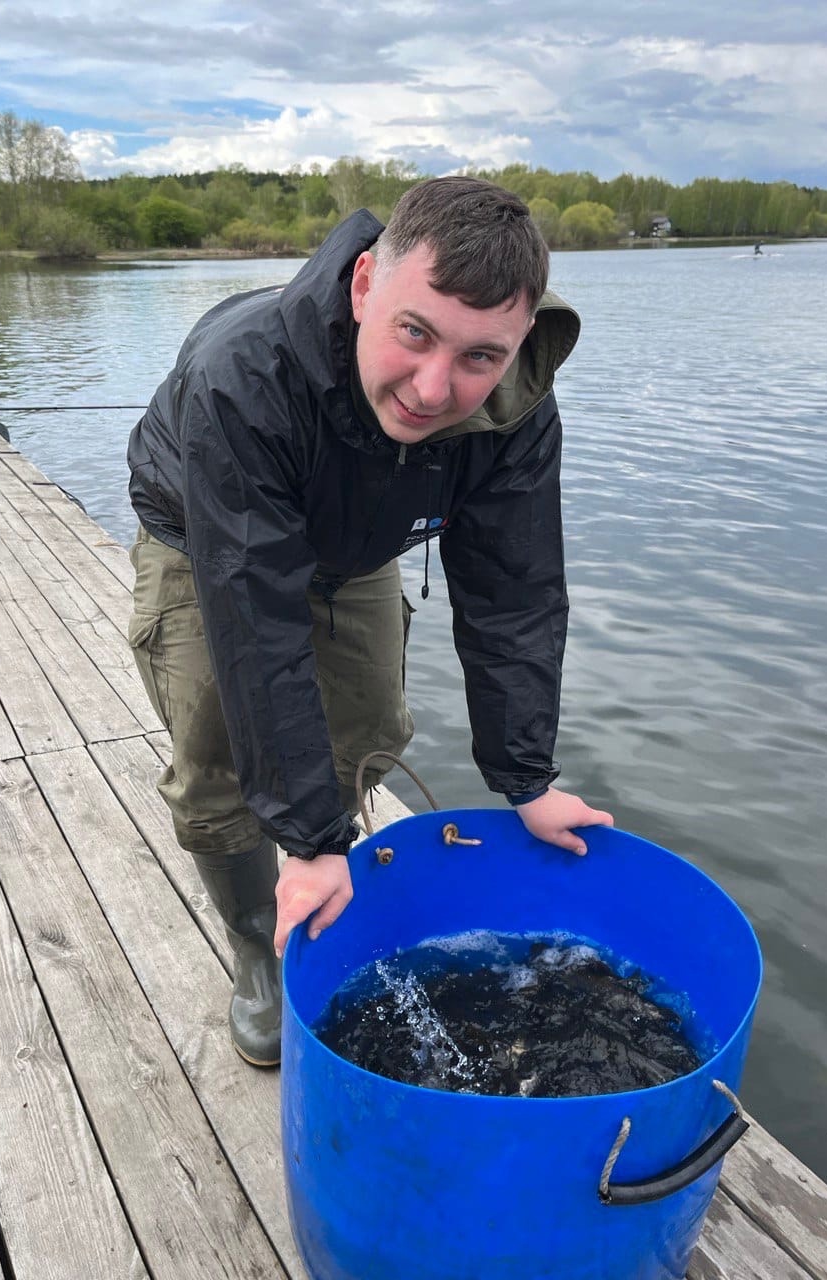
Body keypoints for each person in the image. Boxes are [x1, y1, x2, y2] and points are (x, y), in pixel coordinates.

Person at [126, 176, 613, 1067]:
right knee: (217, 763)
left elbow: (514, 591)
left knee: (371, 726)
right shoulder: (244, 374)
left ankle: (320, 873)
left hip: (359, 539)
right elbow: (258, 617)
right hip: (206, 540)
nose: (434, 389)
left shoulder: (515, 409)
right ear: (363, 287)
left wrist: (527, 779)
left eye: (480, 356)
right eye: (415, 333)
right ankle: (258, 959)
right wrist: (307, 838)